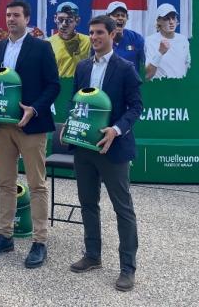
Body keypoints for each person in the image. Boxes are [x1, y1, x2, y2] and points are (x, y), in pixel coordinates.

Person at [0, 0, 61, 269]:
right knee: (4, 182)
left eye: (16, 15)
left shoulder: (41, 47)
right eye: (7, 15)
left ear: (27, 19)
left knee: (37, 185)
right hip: (1, 128)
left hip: (31, 126)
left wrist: (34, 110)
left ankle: (39, 241)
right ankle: (5, 236)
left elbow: (53, 85)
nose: (11, 19)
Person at [66, 15, 142, 292]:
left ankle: (127, 268)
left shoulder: (126, 68)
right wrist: (69, 126)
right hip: (84, 149)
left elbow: (136, 108)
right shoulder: (83, 67)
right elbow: (75, 102)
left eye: (100, 32)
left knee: (123, 209)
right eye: (92, 33)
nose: (95, 37)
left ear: (112, 35)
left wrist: (116, 130)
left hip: (113, 148)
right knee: (88, 203)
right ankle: (93, 255)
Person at [144, 3, 191, 80]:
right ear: (159, 21)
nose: (171, 22)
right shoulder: (149, 41)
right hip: (160, 88)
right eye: (167, 18)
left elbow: (187, 65)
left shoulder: (183, 40)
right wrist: (160, 52)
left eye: (173, 18)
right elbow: (148, 75)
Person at [48, 1, 90, 78]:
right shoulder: (46, 44)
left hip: (80, 87)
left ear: (77, 21)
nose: (64, 24)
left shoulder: (88, 42)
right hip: (57, 87)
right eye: (60, 19)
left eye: (69, 20)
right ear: (55, 19)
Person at [105, 1, 145, 76]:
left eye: (123, 15)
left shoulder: (137, 39)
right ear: (107, 18)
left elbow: (144, 68)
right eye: (116, 15)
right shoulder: (100, 40)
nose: (120, 18)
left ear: (127, 18)